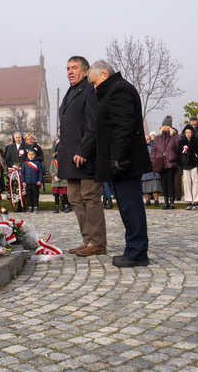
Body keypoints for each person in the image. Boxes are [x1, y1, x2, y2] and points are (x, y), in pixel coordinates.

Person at [89, 60, 150, 267]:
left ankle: (137, 252)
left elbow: (123, 127)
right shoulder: (116, 89)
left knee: (131, 207)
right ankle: (134, 249)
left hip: (125, 163)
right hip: (122, 161)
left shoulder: (119, 91)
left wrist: (118, 158)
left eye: (95, 83)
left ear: (104, 74)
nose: (94, 88)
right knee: (128, 207)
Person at [58, 56, 106, 256]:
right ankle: (87, 240)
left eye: (74, 68)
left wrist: (84, 150)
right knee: (75, 198)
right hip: (70, 158)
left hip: (85, 157)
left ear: (85, 71)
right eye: (68, 68)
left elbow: (93, 124)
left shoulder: (89, 90)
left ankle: (98, 242)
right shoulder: (70, 91)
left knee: (90, 198)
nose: (70, 71)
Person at [151, 116, 179, 209]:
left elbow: (177, 149)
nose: (165, 127)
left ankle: (172, 201)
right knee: (163, 183)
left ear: (170, 126)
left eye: (167, 125)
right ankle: (166, 201)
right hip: (161, 163)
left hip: (171, 163)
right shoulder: (158, 138)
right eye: (164, 125)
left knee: (171, 182)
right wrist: (154, 160)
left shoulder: (174, 137)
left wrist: (175, 158)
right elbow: (153, 151)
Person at [179, 124, 198, 210]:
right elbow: (179, 155)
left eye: (189, 132)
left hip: (194, 165)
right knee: (186, 183)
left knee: (196, 182)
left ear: (192, 133)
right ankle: (189, 201)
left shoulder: (197, 141)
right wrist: (180, 165)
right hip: (185, 165)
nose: (188, 134)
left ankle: (196, 201)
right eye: (186, 132)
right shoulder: (181, 142)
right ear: (184, 133)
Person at [142, 135, 162, 206]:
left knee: (155, 187)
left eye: (148, 139)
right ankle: (147, 201)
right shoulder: (140, 148)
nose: (146, 140)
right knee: (144, 187)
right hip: (144, 170)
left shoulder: (154, 147)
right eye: (145, 139)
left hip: (153, 169)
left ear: (150, 140)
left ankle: (156, 201)